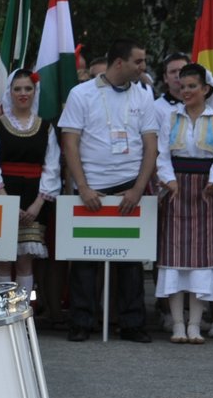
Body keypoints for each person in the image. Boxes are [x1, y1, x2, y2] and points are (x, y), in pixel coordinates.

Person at [58, 39, 159, 343]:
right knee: (85, 259)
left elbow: (151, 146)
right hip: (93, 189)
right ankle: (81, 321)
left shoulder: (143, 96)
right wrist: (83, 187)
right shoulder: (82, 93)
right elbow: (70, 142)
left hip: (129, 187)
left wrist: (138, 189)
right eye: (138, 61)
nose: (143, 68)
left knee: (130, 261)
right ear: (119, 62)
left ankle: (132, 323)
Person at [154, 63, 213, 343]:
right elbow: (161, 154)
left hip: (204, 193)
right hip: (176, 191)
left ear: (205, 89)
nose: (186, 91)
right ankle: (178, 323)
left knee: (201, 259)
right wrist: (168, 179)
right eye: (183, 86)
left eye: (192, 86)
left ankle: (195, 324)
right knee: (174, 258)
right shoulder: (171, 118)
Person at [0, 69, 61, 294]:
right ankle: (4, 312)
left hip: (34, 198)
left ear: (35, 92)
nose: (23, 93)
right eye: (17, 89)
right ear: (10, 93)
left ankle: (24, 312)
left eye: (28, 88)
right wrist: (8, 204)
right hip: (3, 196)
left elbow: (52, 167)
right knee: (3, 257)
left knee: (25, 259)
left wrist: (38, 204)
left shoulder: (46, 127)